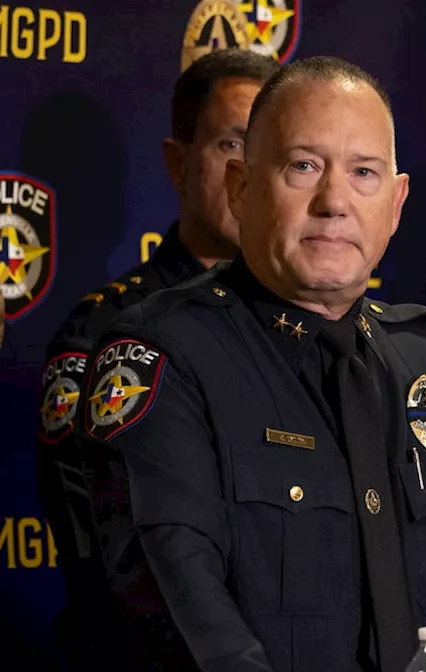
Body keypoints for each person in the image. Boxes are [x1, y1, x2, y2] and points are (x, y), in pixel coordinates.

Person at [74, 56, 426, 671]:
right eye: (303, 166)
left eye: (364, 173)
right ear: (242, 187)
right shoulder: (165, 358)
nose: (335, 201)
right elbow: (186, 626)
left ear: (397, 201)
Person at [35, 48, 279, 669]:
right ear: (178, 163)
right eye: (231, 144)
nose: (250, 171)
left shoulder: (313, 326)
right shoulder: (102, 334)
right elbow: (103, 561)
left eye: (273, 150)